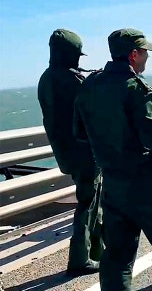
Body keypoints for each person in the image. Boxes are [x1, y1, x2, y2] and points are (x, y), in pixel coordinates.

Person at [73, 28, 152, 290]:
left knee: (117, 259)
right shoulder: (136, 88)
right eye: (144, 53)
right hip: (146, 184)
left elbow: (79, 133)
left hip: (113, 184)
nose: (147, 58)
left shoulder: (91, 86)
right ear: (133, 54)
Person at [37, 28, 104, 277]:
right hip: (83, 151)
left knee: (94, 201)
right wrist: (96, 80)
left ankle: (97, 250)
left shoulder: (47, 78)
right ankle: (80, 259)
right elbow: (92, 106)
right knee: (88, 203)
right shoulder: (68, 80)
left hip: (66, 151)